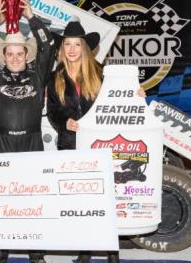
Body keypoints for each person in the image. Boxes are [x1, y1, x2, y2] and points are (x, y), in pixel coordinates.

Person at [46, 16, 148, 263]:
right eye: (67, 44)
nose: (71, 50)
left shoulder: (103, 74)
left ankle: (112, 252)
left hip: (101, 148)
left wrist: (137, 94)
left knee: (107, 200)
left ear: (85, 47)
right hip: (71, 146)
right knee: (82, 202)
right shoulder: (54, 78)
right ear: (62, 48)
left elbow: (120, 100)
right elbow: (53, 111)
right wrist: (64, 122)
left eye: (77, 44)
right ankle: (85, 251)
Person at [0, 0, 55, 263]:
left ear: (26, 55)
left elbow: (48, 46)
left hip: (32, 143)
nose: (16, 57)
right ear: (4, 56)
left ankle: (37, 253)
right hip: (2, 143)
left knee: (33, 200)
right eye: (11, 53)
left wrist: (31, 17)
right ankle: (0, 253)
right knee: (2, 199)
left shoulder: (38, 74)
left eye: (20, 53)